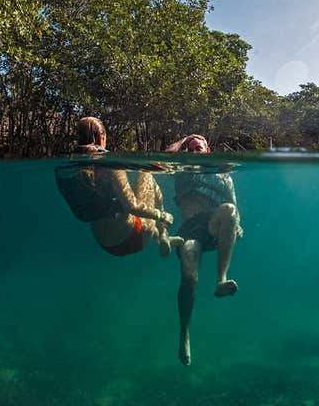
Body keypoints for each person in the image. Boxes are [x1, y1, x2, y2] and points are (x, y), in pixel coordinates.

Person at [56, 117, 182, 257]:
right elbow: (131, 206)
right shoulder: (110, 162)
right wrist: (161, 215)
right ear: (102, 136)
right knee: (146, 175)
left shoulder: (67, 167)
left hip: (104, 243)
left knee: (120, 206)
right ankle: (163, 232)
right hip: (134, 238)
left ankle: (160, 235)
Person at [166, 134, 243, 365]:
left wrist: (237, 225)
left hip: (212, 225)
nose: (193, 152)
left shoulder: (223, 173)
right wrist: (186, 139)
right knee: (189, 277)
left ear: (207, 150)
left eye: (198, 148)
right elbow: (168, 153)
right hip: (190, 230)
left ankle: (221, 280)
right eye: (189, 149)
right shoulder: (181, 168)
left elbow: (234, 205)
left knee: (229, 210)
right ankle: (184, 334)